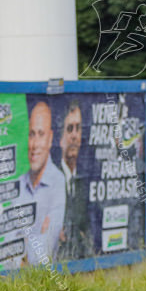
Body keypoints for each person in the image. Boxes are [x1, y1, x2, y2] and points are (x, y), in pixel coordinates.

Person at [15, 101, 67, 264]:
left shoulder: (58, 183)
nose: (34, 145)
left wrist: (22, 250)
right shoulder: (17, 185)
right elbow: (4, 250)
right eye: (32, 134)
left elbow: (43, 254)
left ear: (50, 139)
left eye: (41, 134)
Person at [58, 100, 93, 261]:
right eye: (69, 129)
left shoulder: (86, 180)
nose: (74, 135)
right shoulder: (51, 180)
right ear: (60, 137)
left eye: (78, 128)